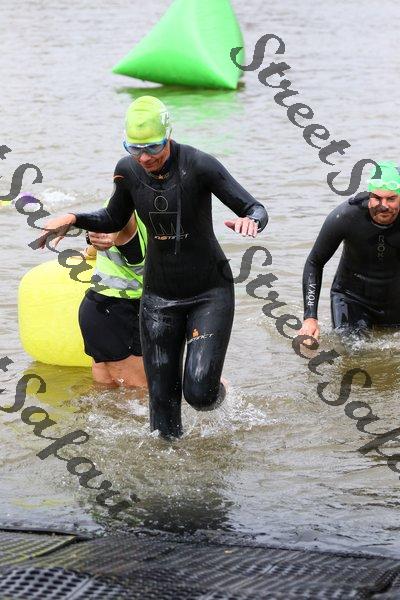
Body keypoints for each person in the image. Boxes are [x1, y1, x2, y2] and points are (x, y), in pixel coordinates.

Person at [37, 95, 268, 438]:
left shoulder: (200, 165)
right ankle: (169, 463)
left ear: (168, 135)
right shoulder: (128, 171)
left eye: (153, 147)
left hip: (208, 292)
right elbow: (113, 217)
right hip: (158, 297)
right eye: (135, 148)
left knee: (199, 393)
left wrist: (252, 220)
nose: (144, 157)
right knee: (161, 413)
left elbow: (254, 207)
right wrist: (73, 218)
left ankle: (217, 394)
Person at [299, 161, 400, 341]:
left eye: (391, 199)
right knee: (352, 349)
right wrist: (310, 318)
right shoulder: (346, 216)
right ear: (369, 195)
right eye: (377, 198)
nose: (383, 205)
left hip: (396, 301)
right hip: (352, 300)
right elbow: (315, 262)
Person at [79, 210, 148, 388]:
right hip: (118, 313)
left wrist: (88, 251)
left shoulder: (114, 207)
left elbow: (105, 235)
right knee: (143, 394)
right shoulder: (134, 210)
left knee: (107, 397)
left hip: (99, 310)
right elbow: (113, 229)